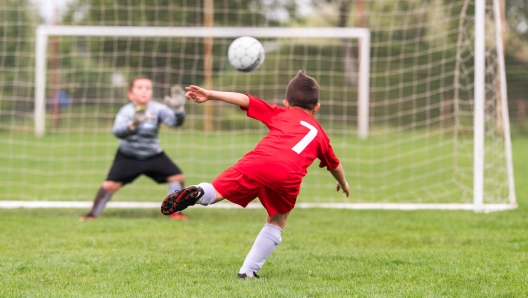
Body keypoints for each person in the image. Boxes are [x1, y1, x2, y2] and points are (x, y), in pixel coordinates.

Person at [161, 70, 350, 278]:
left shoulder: (281, 113)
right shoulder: (321, 135)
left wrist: (210, 94)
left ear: (286, 103)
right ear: (316, 108)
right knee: (277, 220)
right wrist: (344, 183)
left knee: (216, 191)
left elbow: (246, 100)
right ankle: (248, 272)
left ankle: (197, 192)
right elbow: (335, 165)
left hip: (258, 162)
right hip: (288, 175)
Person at [80, 77, 188, 221]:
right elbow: (117, 132)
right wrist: (131, 126)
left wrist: (179, 110)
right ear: (130, 94)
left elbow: (175, 123)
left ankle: (175, 212)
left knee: (177, 177)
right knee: (109, 185)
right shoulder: (125, 112)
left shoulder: (157, 108)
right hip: (128, 156)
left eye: (148, 88)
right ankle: (92, 214)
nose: (144, 91)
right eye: (140, 88)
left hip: (153, 155)